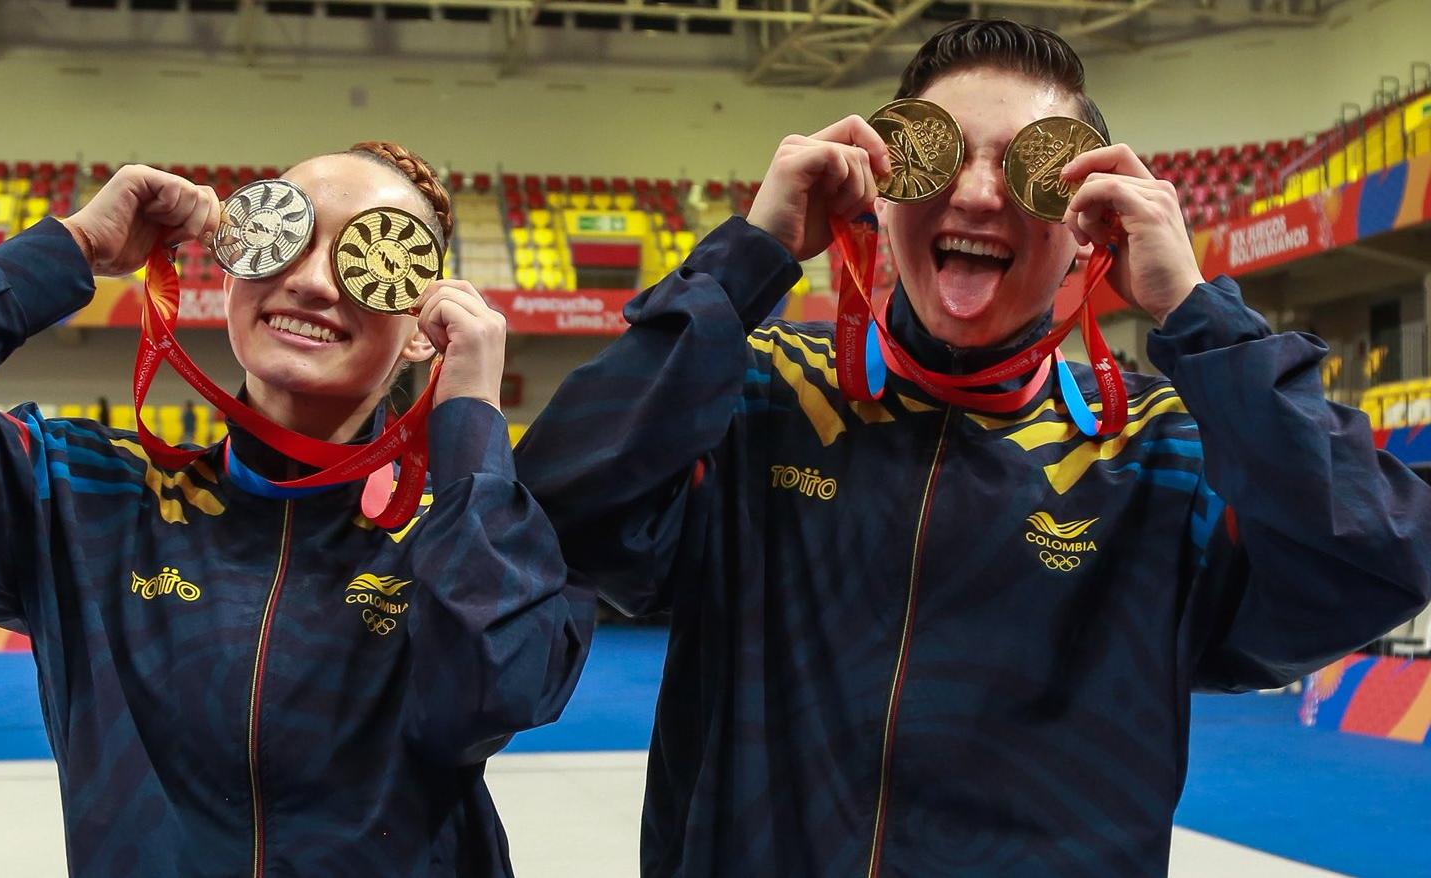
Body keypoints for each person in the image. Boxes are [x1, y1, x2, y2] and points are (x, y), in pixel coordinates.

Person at [515, 19, 1431, 878]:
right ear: (880, 196)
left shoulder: (1158, 454)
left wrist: (1200, 316)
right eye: (939, 155)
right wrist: (748, 256)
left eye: (1035, 170)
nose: (982, 193)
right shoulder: (763, 394)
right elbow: (560, 511)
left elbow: (1381, 561)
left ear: (1089, 232)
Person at [0, 143, 594, 876]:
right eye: (283, 237)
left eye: (373, 257)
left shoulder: (460, 530)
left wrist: (472, 424)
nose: (314, 282)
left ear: (422, 327)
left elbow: (498, 695)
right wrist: (69, 250)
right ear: (233, 268)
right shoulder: (85, 496)